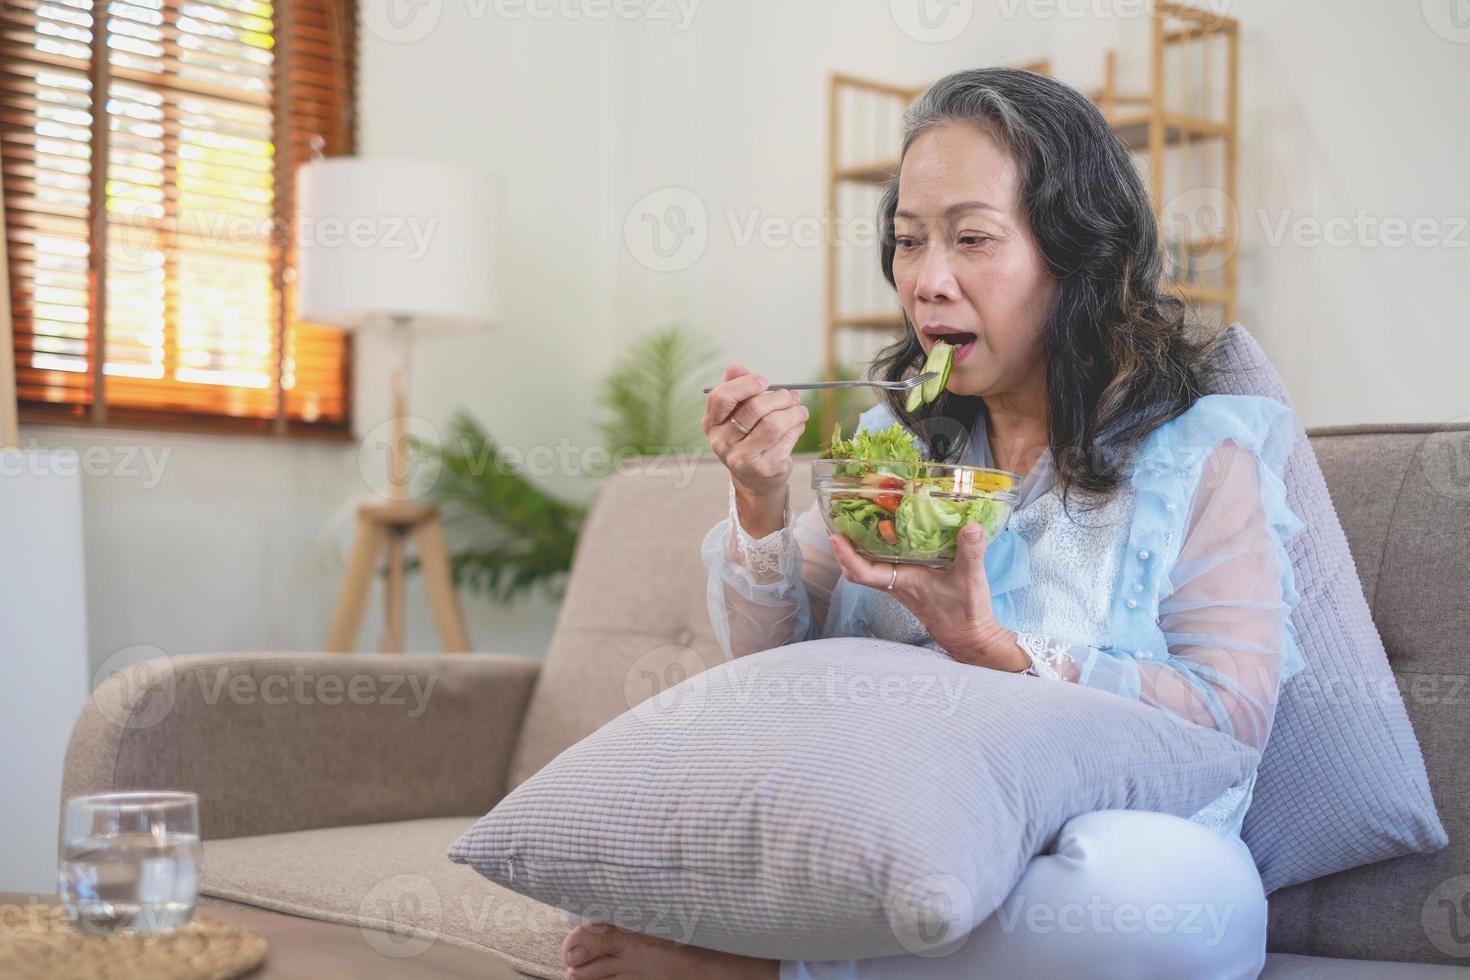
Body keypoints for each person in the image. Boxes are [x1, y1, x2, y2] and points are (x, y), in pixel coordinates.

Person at [559, 67, 1302, 980]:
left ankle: (763, 969)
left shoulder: (1198, 459)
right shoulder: (896, 442)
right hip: (901, 827)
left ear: (1077, 256)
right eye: (909, 243)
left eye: (972, 239)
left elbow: (1229, 719)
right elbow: (770, 662)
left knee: (1163, 916)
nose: (928, 282)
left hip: (1102, 847)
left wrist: (996, 646)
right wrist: (759, 498)